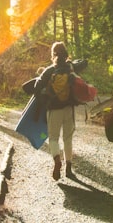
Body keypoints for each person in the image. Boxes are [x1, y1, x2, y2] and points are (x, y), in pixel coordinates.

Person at [36, 41, 78, 180]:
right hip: (69, 108)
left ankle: (56, 160)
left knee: (53, 138)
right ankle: (69, 168)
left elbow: (37, 87)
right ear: (65, 53)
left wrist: (43, 101)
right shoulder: (71, 68)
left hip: (54, 109)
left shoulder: (49, 70)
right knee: (68, 138)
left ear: (53, 54)